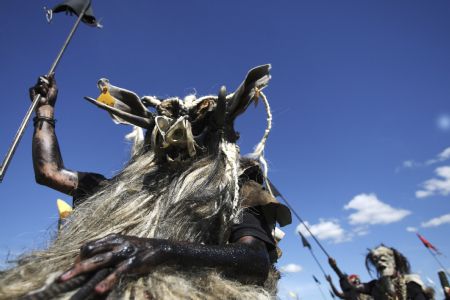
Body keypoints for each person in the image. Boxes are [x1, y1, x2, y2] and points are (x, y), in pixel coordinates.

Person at [0, 65, 291, 299]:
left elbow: (254, 260)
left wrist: (162, 250)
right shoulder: (123, 193)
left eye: (196, 126)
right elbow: (50, 172)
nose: (178, 138)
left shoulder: (233, 189)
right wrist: (45, 110)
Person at [359, 245, 433, 300]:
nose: (379, 263)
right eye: (376, 261)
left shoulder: (411, 284)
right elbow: (353, 287)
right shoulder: (375, 286)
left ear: (394, 262)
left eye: (383, 260)